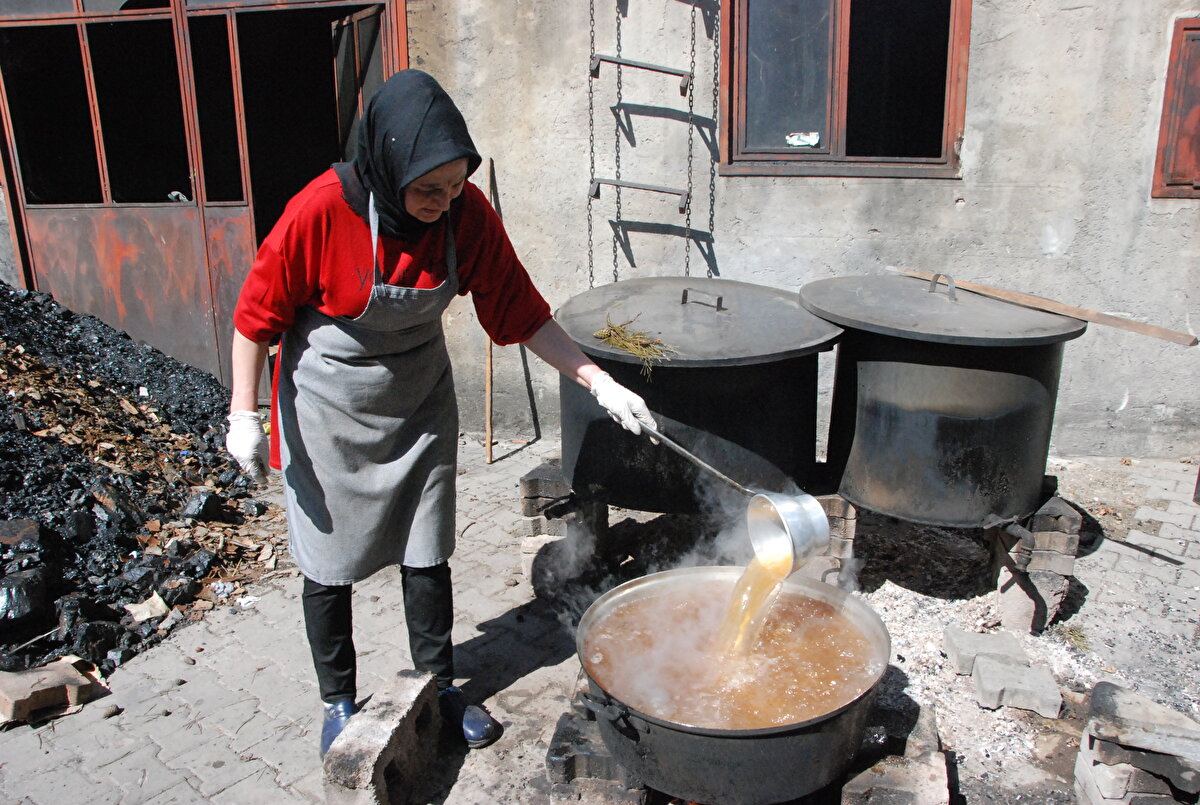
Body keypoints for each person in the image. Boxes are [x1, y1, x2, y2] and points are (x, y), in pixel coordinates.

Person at [223, 69, 655, 756]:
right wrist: (243, 414)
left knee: (428, 549)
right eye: (428, 189)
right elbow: (254, 318)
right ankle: (338, 702)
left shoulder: (465, 214)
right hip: (329, 407)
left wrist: (599, 381)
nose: (442, 203)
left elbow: (521, 312)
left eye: (454, 187)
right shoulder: (321, 211)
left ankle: (440, 685)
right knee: (328, 560)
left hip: (418, 402)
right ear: (387, 163)